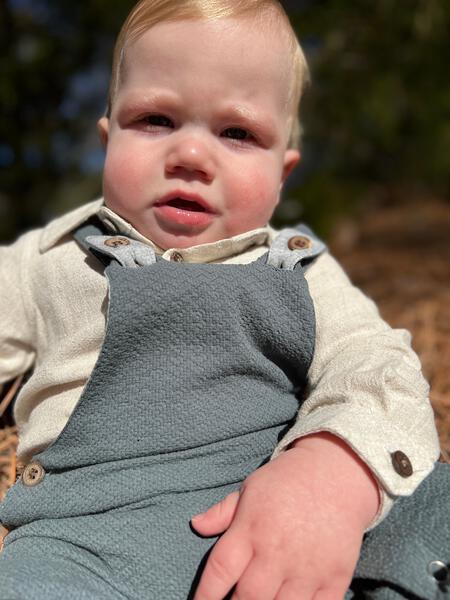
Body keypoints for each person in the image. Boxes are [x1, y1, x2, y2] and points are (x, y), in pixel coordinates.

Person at [0, 1, 447, 599]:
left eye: (237, 133)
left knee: (430, 502)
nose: (189, 155)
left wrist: (331, 471)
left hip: (289, 528)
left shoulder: (299, 271)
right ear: (107, 138)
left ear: (282, 171)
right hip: (87, 551)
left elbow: (374, 364)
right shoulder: (50, 259)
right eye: (155, 119)